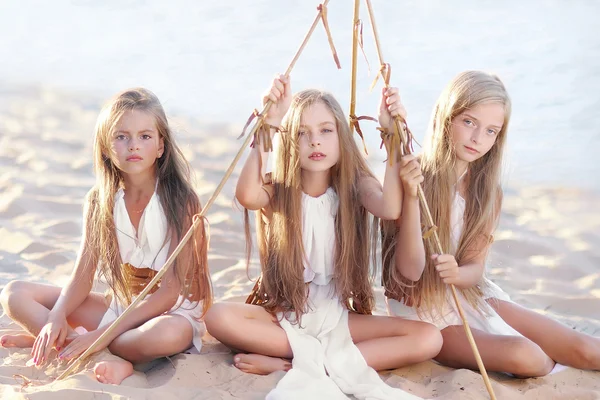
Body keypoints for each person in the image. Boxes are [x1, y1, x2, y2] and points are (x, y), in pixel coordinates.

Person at [205, 75, 441, 399]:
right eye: (302, 133)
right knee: (218, 317)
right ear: (288, 140)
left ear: (341, 137)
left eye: (326, 131)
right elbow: (246, 195)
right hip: (287, 314)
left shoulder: (355, 186)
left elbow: (389, 206)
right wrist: (268, 124)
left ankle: (292, 364)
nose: (315, 141)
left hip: (338, 318)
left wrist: (390, 133)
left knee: (429, 338)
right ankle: (313, 360)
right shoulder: (279, 190)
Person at [384, 70, 600, 377]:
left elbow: (475, 269)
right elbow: (408, 272)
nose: (477, 138)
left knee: (585, 348)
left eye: (491, 131)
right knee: (528, 358)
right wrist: (409, 194)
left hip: (471, 294)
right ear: (447, 118)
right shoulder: (414, 175)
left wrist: (458, 273)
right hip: (426, 314)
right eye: (469, 122)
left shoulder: (486, 192)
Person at [0, 88, 213, 385]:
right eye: (121, 136)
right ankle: (80, 345)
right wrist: (56, 318)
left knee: (165, 335)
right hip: (119, 308)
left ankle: (85, 345)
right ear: (105, 148)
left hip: (168, 313)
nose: (133, 145)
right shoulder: (100, 200)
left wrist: (101, 335)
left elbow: (169, 292)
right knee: (14, 294)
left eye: (145, 136)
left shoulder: (182, 201)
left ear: (161, 146)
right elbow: (82, 275)